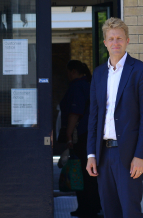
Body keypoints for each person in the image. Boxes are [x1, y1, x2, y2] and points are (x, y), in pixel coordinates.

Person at [87, 18, 143, 218]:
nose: (115, 42)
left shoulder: (141, 72)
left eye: (119, 38)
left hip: (129, 155)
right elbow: (94, 116)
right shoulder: (99, 74)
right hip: (103, 155)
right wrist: (91, 155)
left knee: (130, 212)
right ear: (105, 43)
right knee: (110, 211)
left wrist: (140, 156)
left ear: (127, 40)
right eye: (111, 39)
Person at [59, 60, 102, 217]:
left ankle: (87, 208)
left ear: (72, 71)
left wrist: (69, 135)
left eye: (68, 72)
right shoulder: (89, 84)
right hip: (92, 133)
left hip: (82, 135)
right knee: (90, 172)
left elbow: (75, 113)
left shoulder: (77, 86)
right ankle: (92, 206)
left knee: (83, 172)